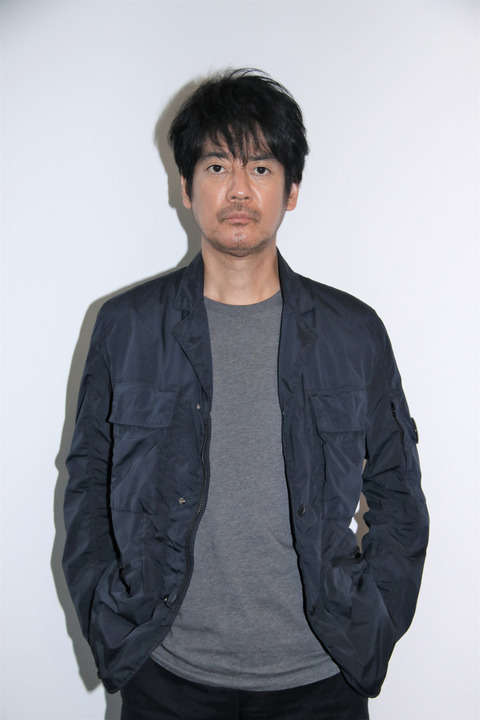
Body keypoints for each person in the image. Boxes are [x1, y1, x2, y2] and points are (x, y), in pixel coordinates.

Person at [62, 68, 429, 719]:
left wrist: (372, 619)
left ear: (292, 190)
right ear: (185, 188)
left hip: (322, 681)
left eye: (260, 168)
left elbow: (399, 495)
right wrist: (108, 611)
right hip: (168, 678)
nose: (238, 189)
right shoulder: (127, 327)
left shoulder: (352, 333)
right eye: (216, 167)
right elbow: (89, 477)